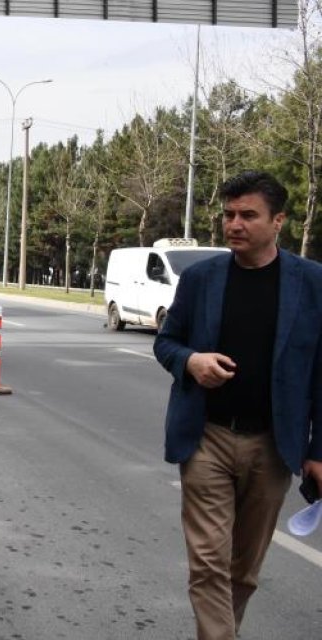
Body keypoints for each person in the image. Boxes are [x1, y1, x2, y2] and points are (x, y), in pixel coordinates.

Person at [154, 170, 322, 640]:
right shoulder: (201, 279)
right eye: (228, 214)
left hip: (273, 446)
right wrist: (191, 362)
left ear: (279, 221)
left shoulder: (313, 284)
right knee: (208, 563)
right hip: (206, 436)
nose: (235, 224)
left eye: (248, 215)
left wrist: (318, 450)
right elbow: (166, 343)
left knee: (242, 571)